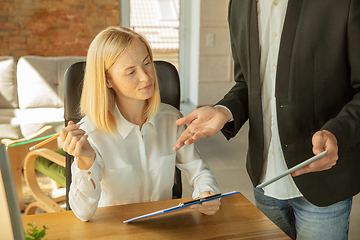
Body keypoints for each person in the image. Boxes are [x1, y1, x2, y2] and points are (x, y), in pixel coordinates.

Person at [173, 0, 360, 239]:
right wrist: (224, 110)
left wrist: (337, 133)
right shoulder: (238, 5)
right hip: (264, 181)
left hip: (324, 183)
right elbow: (247, 84)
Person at [60, 26, 220, 222]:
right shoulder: (91, 133)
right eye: (130, 72)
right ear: (107, 80)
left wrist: (207, 192)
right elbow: (82, 213)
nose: (146, 77)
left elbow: (198, 169)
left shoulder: (172, 119)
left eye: (147, 63)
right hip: (114, 232)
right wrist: (86, 159)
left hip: (163, 229)